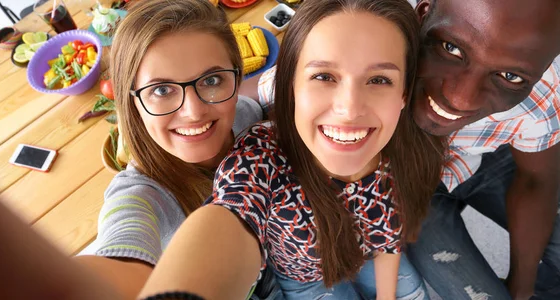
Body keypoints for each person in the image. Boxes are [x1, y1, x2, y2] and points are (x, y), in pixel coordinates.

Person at [0, 0, 279, 299]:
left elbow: (266, 90)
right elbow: (117, 264)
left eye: (211, 80)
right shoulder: (142, 196)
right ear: (131, 101)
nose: (194, 111)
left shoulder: (244, 115)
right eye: (162, 90)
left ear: (236, 78)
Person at [138, 0, 447, 299]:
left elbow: (386, 240)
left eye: (379, 79)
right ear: (290, 85)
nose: (349, 109)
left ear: (404, 93)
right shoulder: (261, 157)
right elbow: (234, 212)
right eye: (324, 77)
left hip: (370, 256)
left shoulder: (402, 152)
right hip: (306, 281)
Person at [252, 0, 560, 299]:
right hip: (410, 194)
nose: (461, 99)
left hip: (478, 162)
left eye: (511, 76)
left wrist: (523, 286)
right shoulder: (374, 43)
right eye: (451, 49)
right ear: (422, 16)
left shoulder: (541, 99)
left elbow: (536, 182)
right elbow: (270, 91)